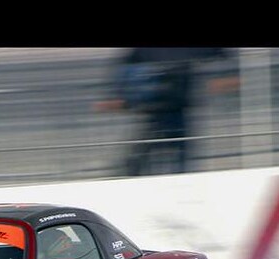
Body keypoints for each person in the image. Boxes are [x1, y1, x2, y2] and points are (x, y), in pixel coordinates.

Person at [96, 48, 238, 176]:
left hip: (176, 107)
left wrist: (227, 77)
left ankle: (178, 181)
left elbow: (222, 55)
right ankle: (132, 177)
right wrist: (116, 96)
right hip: (157, 108)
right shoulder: (146, 52)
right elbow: (126, 65)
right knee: (146, 155)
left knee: (171, 155)